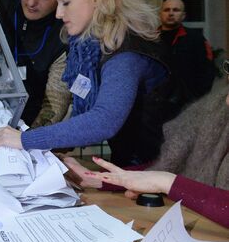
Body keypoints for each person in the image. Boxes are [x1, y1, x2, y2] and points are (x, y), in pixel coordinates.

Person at [0, 0, 175, 167]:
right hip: (135, 162)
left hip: (163, 167)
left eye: (65, 2)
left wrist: (24, 140)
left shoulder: (126, 53)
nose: (58, 14)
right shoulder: (90, 47)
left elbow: (103, 121)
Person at [61, 59, 229, 228]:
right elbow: (171, 167)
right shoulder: (216, 108)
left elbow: (166, 177)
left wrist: (165, 182)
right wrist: (97, 179)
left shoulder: (128, 59)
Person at [0, 0, 71, 128]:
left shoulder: (66, 32)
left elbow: (55, 103)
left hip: (29, 122)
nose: (31, 2)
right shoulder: (4, 2)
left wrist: (27, 139)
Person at [159, 0, 215, 106]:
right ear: (160, 14)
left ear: (183, 15)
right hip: (156, 104)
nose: (171, 13)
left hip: (188, 103)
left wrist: (197, 97)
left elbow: (207, 70)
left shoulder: (196, 38)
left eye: (176, 10)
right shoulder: (150, 39)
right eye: (166, 10)